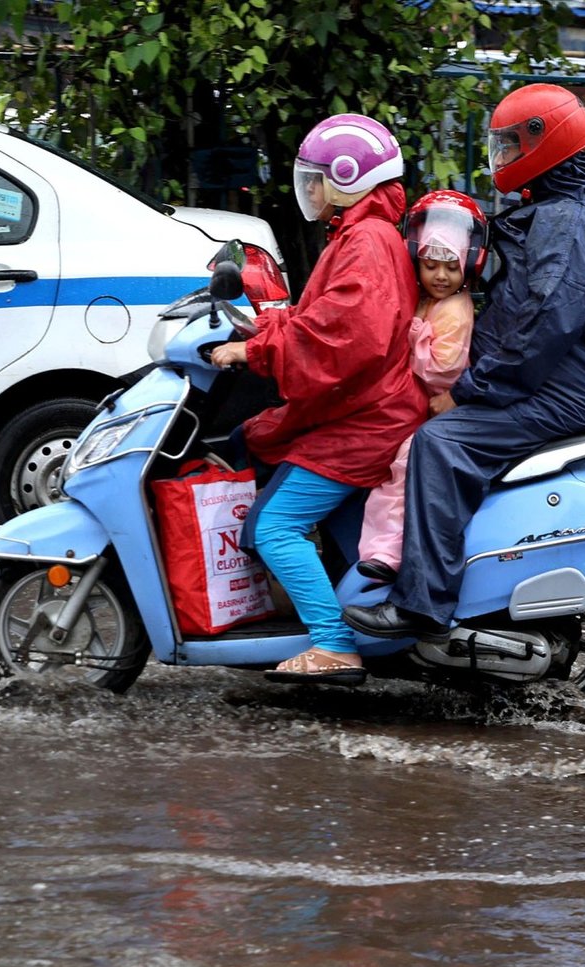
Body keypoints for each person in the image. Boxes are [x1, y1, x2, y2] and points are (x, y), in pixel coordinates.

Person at [343, 83, 585, 641]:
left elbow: (542, 327)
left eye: (510, 145)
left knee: (440, 445)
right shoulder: (548, 216)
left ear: (542, 145)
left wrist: (470, 390)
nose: (501, 157)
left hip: (562, 389)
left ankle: (422, 607)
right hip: (557, 381)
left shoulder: (566, 225)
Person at [210, 113, 426, 685]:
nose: (310, 190)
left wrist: (255, 352)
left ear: (349, 178)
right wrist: (267, 324)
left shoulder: (367, 242)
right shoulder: (361, 234)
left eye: (316, 178)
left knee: (272, 527)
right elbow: (324, 316)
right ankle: (342, 616)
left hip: (365, 418)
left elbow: (341, 339)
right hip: (365, 407)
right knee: (252, 444)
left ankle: (333, 645)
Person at [354, 190, 487, 583]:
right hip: (412, 403)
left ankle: (387, 556)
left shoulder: (455, 310)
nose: (440, 276)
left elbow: (441, 369)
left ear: (468, 264)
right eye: (431, 265)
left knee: (401, 472)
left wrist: (412, 335)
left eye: (450, 266)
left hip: (432, 409)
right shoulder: (428, 300)